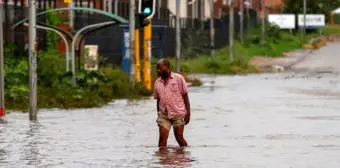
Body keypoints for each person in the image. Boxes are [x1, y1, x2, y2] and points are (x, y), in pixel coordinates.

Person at [153, 58, 191, 148]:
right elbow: (158, 100)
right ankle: (163, 160)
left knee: (179, 138)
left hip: (178, 113)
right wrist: (158, 114)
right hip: (164, 114)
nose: (158, 70)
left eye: (160, 68)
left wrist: (188, 113)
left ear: (167, 67)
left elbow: (185, 96)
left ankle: (184, 157)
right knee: (162, 140)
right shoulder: (157, 82)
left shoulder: (178, 78)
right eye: (157, 68)